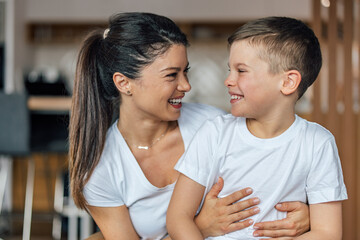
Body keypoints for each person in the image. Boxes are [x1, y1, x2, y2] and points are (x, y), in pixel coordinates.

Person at [69, 12, 311, 240]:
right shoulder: (100, 171)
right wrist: (200, 227)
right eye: (171, 75)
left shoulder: (212, 125)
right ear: (124, 83)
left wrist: (305, 214)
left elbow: (272, 181)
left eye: (186, 72)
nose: (186, 86)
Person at [167, 16, 348, 240]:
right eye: (229, 69)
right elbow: (178, 218)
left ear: (288, 82)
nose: (228, 80)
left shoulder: (317, 143)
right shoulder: (214, 133)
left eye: (241, 71)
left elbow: (328, 232)